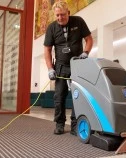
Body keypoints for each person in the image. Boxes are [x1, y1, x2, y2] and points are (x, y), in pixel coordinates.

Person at [43, 1, 93, 135]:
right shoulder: (52, 28)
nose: (60, 18)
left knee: (78, 96)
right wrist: (50, 69)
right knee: (59, 96)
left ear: (68, 13)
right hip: (60, 67)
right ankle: (59, 124)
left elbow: (89, 39)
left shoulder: (79, 22)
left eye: (63, 15)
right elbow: (47, 50)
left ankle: (75, 125)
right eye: (57, 15)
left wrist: (86, 53)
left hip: (78, 65)